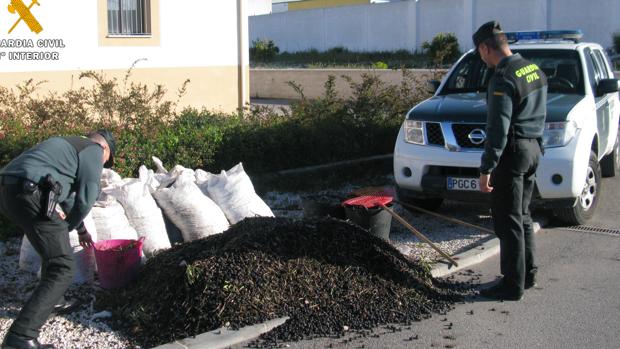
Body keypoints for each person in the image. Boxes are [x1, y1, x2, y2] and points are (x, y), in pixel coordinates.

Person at [0, 130, 116, 349]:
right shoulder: (93, 150)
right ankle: (20, 337)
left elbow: (70, 203)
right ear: (105, 149)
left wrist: (80, 231)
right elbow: (86, 199)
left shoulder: (69, 148)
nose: (102, 166)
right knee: (62, 266)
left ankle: (56, 300)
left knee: (52, 249)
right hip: (29, 190)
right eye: (106, 162)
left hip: (8, 188)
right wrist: (65, 228)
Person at [473, 21, 547, 301]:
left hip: (512, 153)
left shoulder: (502, 77)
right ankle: (527, 275)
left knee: (507, 221)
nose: (481, 58)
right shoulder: (532, 69)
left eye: (480, 53)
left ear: (485, 47)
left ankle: (511, 285)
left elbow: (498, 128)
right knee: (523, 216)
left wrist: (486, 168)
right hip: (534, 149)